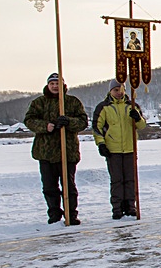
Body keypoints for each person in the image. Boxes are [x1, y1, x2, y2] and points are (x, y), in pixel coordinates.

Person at [23, 72, 88, 225]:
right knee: (49, 186)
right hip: (45, 152)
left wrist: (69, 122)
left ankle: (71, 214)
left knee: (69, 186)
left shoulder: (72, 102)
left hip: (68, 151)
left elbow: (83, 121)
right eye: (52, 84)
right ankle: (54, 214)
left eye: (57, 83)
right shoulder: (39, 103)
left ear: (63, 85)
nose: (54, 86)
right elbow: (29, 120)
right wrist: (45, 126)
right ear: (48, 85)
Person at [92, 79, 146, 219]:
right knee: (117, 180)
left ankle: (130, 206)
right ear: (110, 91)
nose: (119, 92)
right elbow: (97, 127)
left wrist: (137, 118)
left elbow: (141, 126)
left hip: (129, 148)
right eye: (116, 90)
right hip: (113, 149)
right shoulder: (104, 107)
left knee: (130, 179)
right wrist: (101, 144)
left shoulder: (132, 106)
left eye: (121, 89)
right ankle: (117, 208)